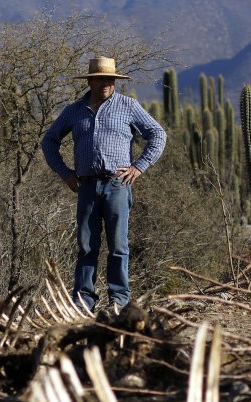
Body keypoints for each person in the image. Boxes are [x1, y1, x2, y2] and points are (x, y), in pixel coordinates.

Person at [42, 56, 166, 312]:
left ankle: (118, 299)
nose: (107, 84)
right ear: (90, 81)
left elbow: (157, 133)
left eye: (110, 79)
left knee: (118, 245)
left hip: (117, 184)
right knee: (86, 245)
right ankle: (83, 300)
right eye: (101, 79)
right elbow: (49, 141)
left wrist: (139, 166)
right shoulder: (73, 111)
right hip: (86, 186)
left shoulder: (128, 106)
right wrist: (65, 173)